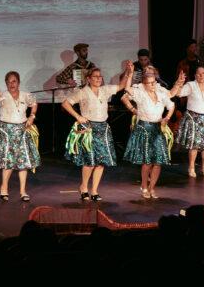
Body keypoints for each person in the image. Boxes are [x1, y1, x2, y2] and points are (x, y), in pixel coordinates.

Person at [61, 62, 134, 201]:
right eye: (95, 77)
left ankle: (94, 190)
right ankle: (84, 187)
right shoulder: (83, 92)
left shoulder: (105, 90)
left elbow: (121, 86)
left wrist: (128, 72)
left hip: (103, 128)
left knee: (101, 161)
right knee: (89, 161)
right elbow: (65, 103)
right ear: (88, 78)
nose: (98, 79)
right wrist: (78, 116)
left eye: (100, 77)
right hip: (88, 128)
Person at [0, 71, 39, 201]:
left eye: (14, 81)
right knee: (8, 161)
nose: (11, 84)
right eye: (9, 82)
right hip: (6, 131)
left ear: (18, 82)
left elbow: (34, 104)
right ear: (6, 83)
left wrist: (32, 116)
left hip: (22, 130)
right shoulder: (3, 94)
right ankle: (4, 188)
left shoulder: (25, 95)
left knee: (23, 162)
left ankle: (23, 191)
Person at [123, 73, 177, 199]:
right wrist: (130, 75)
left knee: (158, 162)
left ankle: (152, 188)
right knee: (147, 162)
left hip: (157, 129)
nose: (153, 85)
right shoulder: (140, 94)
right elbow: (127, 89)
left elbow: (171, 105)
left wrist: (167, 118)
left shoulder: (161, 94)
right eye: (150, 83)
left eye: (154, 82)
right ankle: (144, 186)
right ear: (144, 84)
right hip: (144, 128)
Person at [175, 66, 204, 178]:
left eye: (203, 73)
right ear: (195, 75)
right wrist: (179, 83)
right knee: (194, 145)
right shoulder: (191, 85)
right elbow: (178, 94)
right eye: (199, 74)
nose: (201, 76)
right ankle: (191, 167)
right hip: (193, 117)